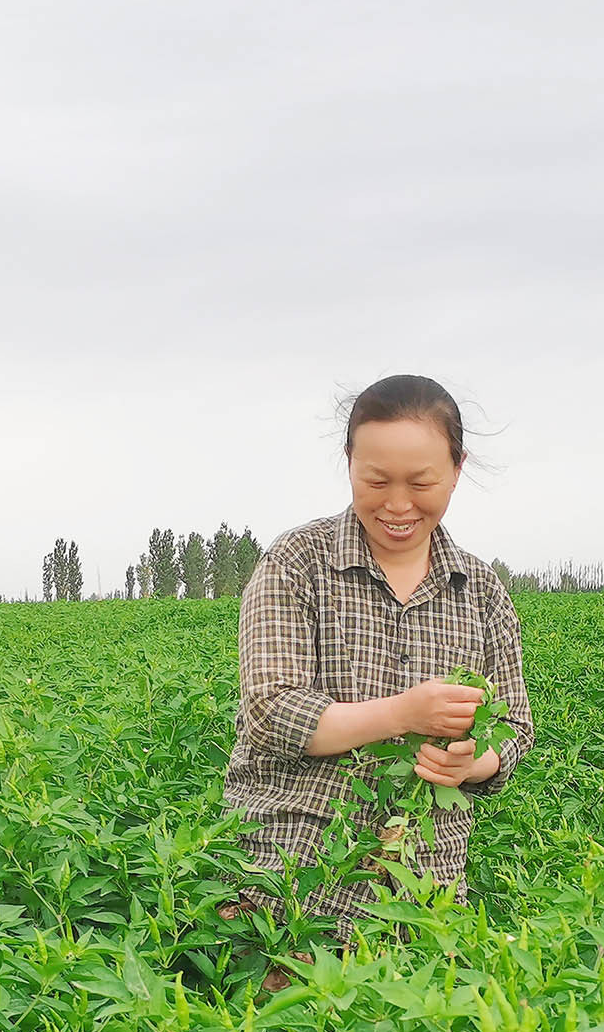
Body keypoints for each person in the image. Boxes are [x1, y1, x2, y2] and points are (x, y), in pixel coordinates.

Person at [225, 373, 533, 940]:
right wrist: (402, 716)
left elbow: (513, 727)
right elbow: (270, 711)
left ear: (457, 470)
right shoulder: (298, 563)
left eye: (421, 482)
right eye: (376, 480)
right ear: (349, 462)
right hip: (288, 889)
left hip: (424, 894)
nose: (397, 505)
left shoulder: (480, 590)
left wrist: (473, 762)